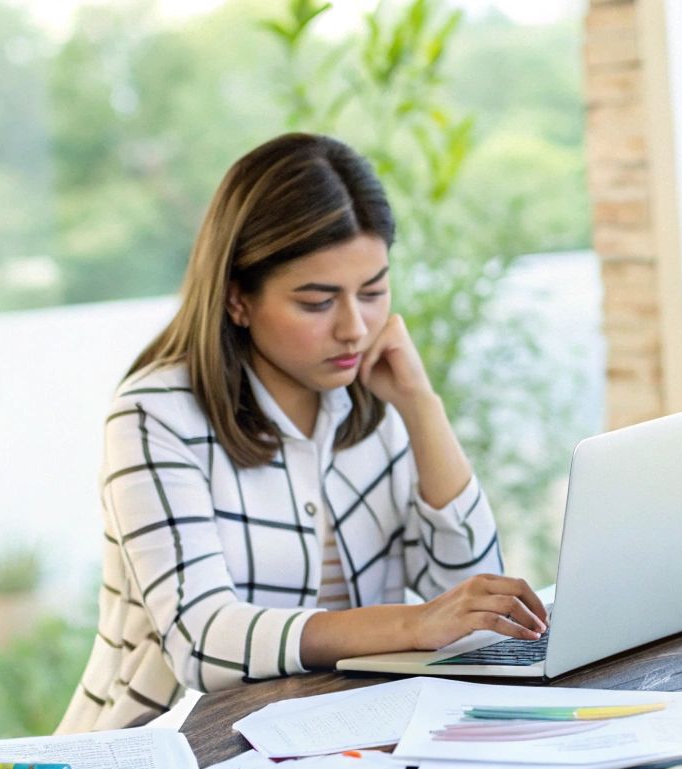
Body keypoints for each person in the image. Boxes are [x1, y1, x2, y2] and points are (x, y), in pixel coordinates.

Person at [58, 133, 546, 733]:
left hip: (339, 738)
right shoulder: (155, 416)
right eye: (317, 302)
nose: (354, 328)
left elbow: (472, 606)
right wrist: (411, 624)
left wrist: (422, 407)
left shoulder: (380, 396)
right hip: (169, 751)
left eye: (373, 292)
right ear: (238, 299)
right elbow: (202, 639)